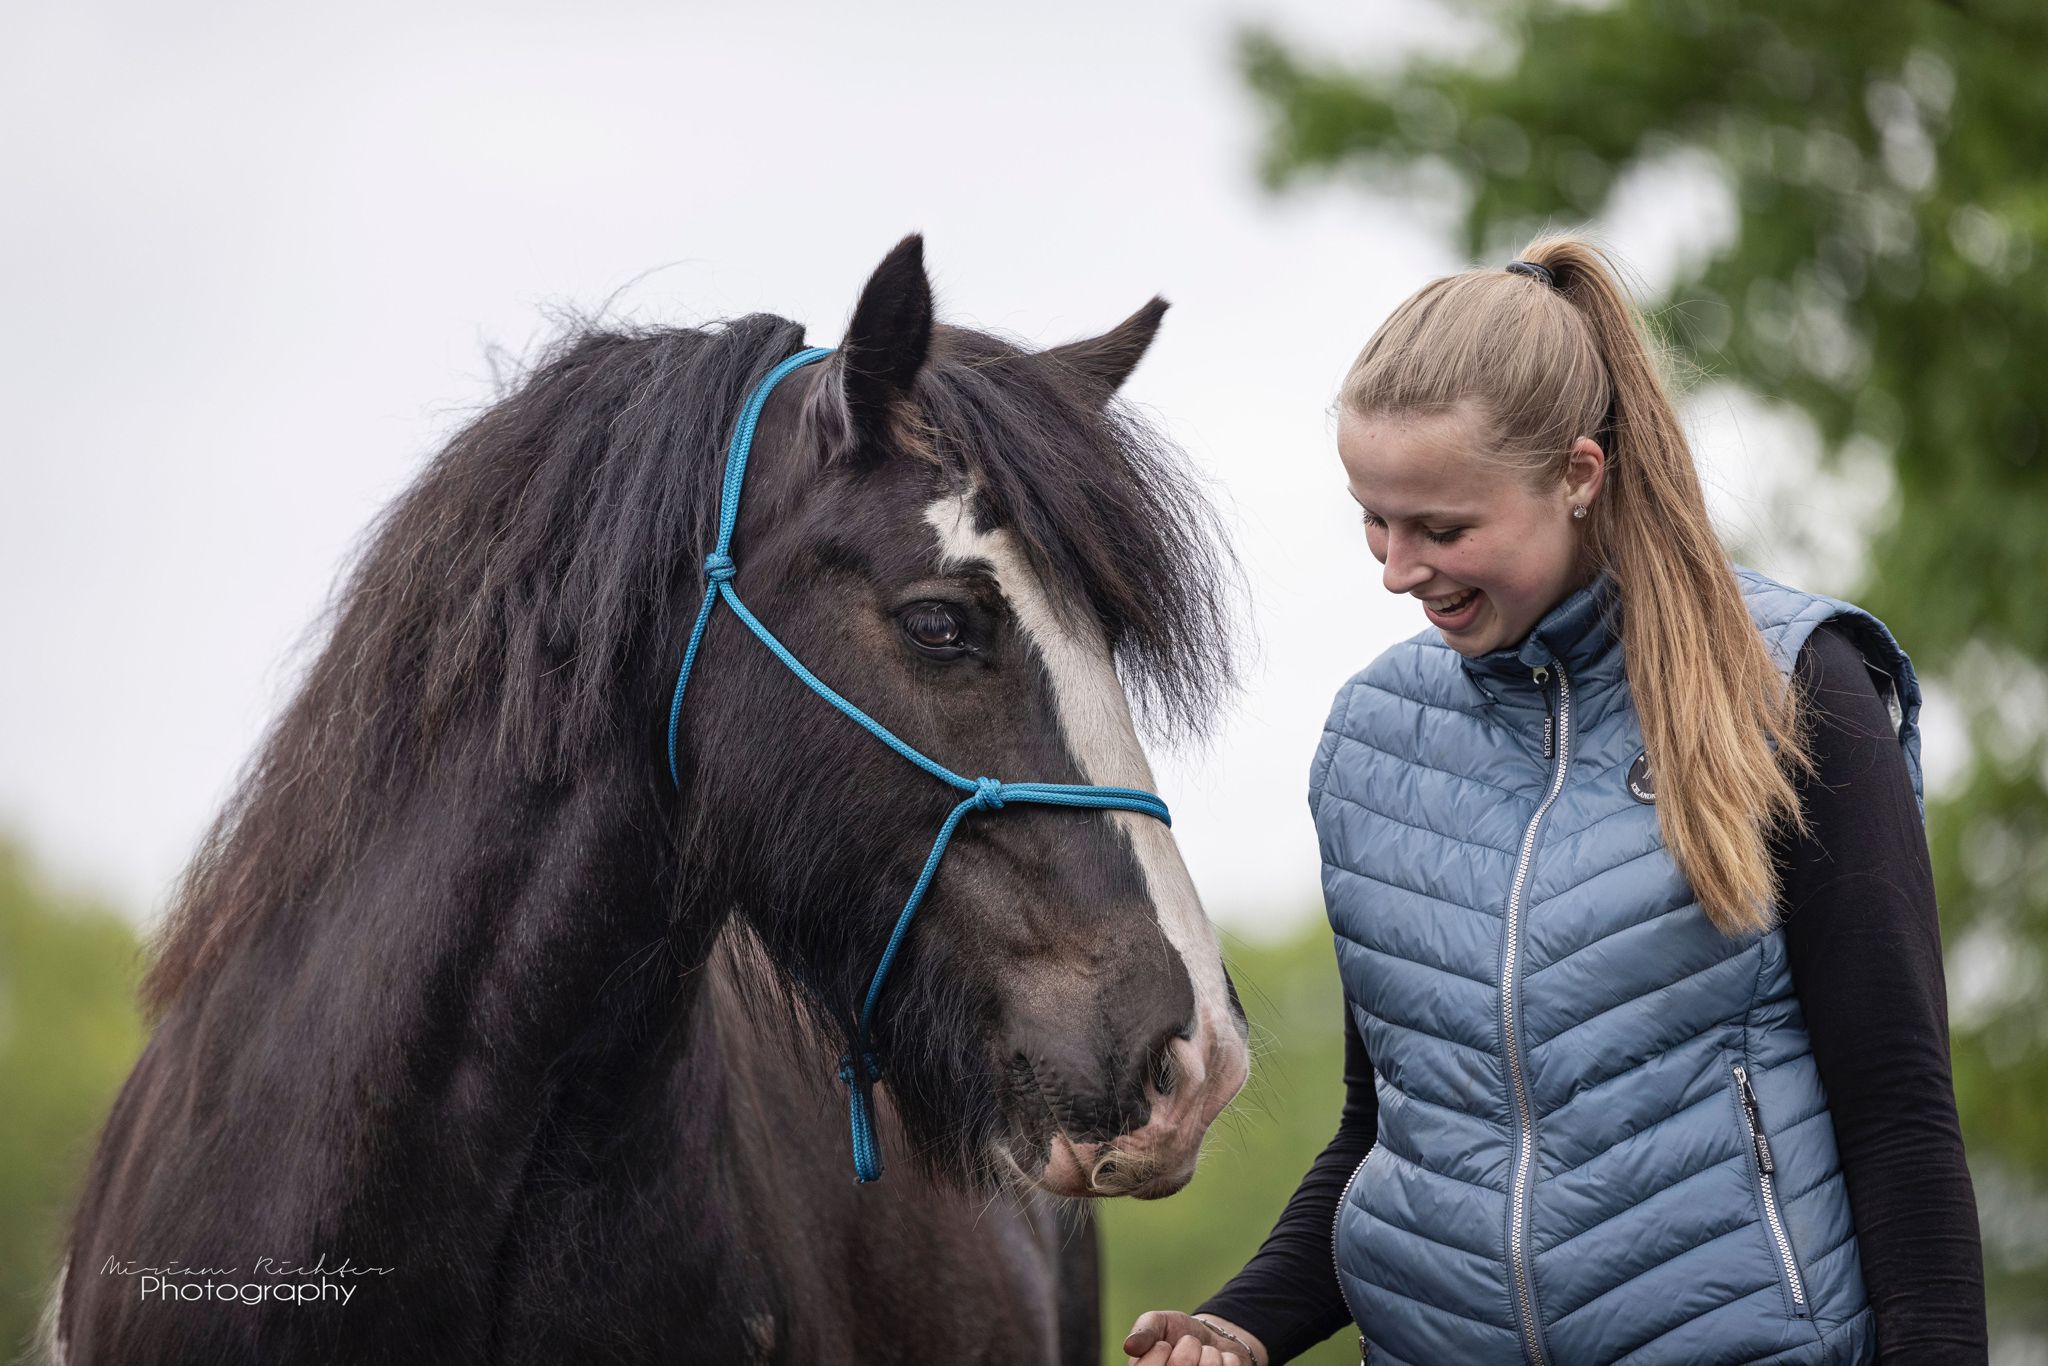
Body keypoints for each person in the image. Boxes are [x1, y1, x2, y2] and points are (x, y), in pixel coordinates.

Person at [1124, 238, 1986, 1366]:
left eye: (1441, 527)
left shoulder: (1792, 688)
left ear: (1577, 475)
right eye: (1373, 519)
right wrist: (1239, 1325)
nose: (1396, 567)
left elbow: (1898, 1113)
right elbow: (1390, 1138)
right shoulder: (1371, 743)